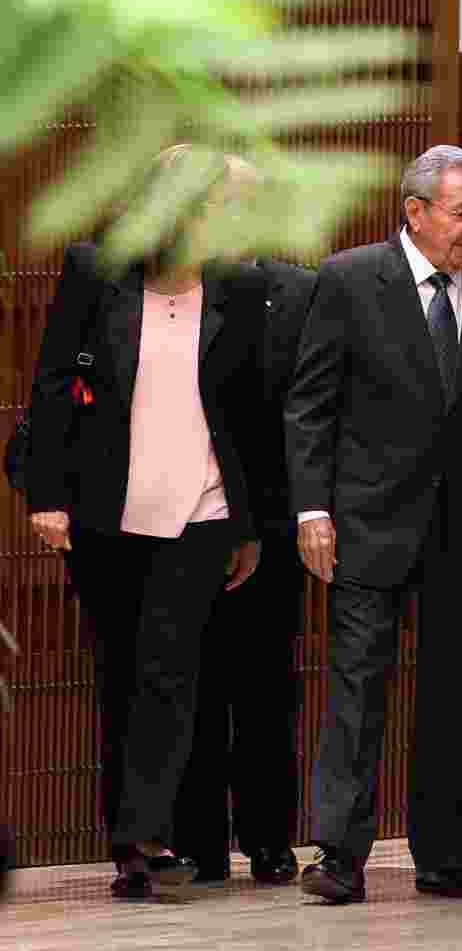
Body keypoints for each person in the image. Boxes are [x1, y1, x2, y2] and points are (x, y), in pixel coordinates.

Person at [286, 146, 462, 905]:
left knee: (458, 694)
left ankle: (449, 853)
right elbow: (311, 402)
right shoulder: (350, 279)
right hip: (367, 521)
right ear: (415, 211)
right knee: (358, 688)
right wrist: (312, 508)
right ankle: (338, 854)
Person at [24, 146, 267, 899]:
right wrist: (46, 494)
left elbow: (247, 410)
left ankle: (141, 837)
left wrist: (250, 523)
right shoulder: (95, 270)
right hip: (109, 506)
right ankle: (132, 827)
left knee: (169, 673)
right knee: (123, 670)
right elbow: (55, 381)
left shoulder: (238, 285)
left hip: (202, 506)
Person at [173, 232, 316, 884]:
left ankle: (268, 837)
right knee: (192, 684)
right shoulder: (174, 288)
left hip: (278, 515)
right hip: (187, 513)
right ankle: (198, 841)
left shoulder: (301, 288)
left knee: (267, 687)